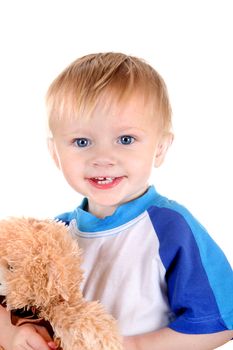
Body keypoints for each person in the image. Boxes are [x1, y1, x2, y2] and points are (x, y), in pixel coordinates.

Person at [0, 52, 232, 349]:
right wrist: (12, 334)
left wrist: (130, 346)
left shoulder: (171, 228)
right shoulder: (50, 235)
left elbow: (222, 323)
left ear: (160, 148)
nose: (103, 159)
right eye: (82, 142)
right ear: (55, 153)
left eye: (125, 139)